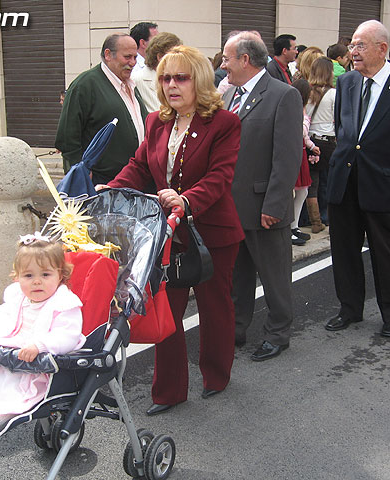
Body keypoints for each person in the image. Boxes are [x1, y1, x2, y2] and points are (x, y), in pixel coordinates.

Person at [102, 45, 243, 415]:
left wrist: (186, 199)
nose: (171, 85)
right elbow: (139, 165)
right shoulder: (156, 122)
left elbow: (219, 177)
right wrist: (112, 188)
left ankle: (216, 375)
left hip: (212, 232)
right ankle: (168, 391)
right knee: (166, 310)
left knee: (215, 307)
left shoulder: (224, 124)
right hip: (166, 235)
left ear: (199, 81)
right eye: (165, 78)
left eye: (180, 78)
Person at [325, 20, 390, 337]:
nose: (352, 52)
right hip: (344, 180)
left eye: (360, 45)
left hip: (382, 181)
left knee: (386, 251)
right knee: (344, 249)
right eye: (352, 45)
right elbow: (345, 133)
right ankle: (350, 308)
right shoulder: (347, 83)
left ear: (382, 49)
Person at [0, 236, 85, 445]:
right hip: (16, 355)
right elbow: (0, 315)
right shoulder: (18, 297)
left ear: (61, 276)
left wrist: (40, 345)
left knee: (19, 394)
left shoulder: (64, 304)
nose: (37, 281)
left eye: (45, 275)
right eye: (28, 275)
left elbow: (68, 336)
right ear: (17, 278)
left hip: (43, 365)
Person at [221, 32, 303, 361]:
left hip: (264, 207)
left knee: (274, 276)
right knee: (237, 275)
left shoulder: (283, 95)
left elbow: (287, 157)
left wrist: (275, 204)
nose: (223, 63)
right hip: (232, 207)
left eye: (227, 58)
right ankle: (238, 327)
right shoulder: (229, 96)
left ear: (245, 59)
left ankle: (278, 332)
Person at [55, 34, 148, 183]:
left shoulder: (130, 85)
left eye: (135, 57)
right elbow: (67, 137)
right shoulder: (85, 85)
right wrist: (80, 172)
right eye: (127, 57)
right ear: (108, 55)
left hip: (133, 178)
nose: (133, 63)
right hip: (100, 181)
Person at [306, 57, 337, 232]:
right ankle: (327, 216)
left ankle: (314, 220)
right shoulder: (333, 94)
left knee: (313, 183)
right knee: (328, 181)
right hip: (328, 142)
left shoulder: (308, 92)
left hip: (310, 141)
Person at [290, 79, 315, 245]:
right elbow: (301, 130)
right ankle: (289, 228)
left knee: (302, 191)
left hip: (301, 151)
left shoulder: (299, 108)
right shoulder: (294, 108)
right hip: (294, 152)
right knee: (292, 192)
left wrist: (312, 146)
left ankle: (294, 226)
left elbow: (304, 136)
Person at [132, 32, 182, 112]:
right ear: (160, 57)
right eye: (174, 56)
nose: (179, 61)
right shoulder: (136, 80)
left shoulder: (178, 81)